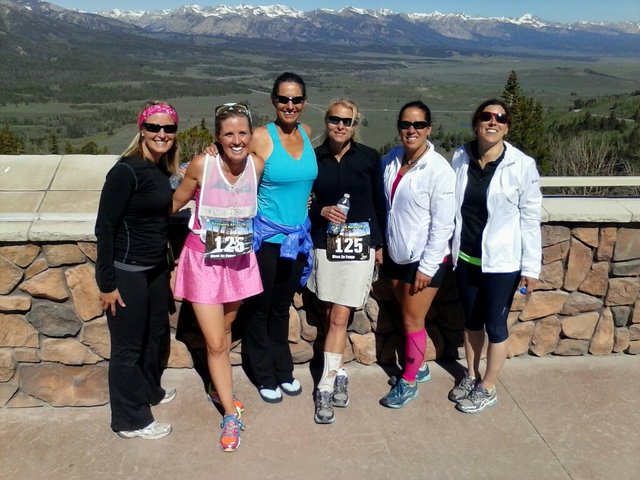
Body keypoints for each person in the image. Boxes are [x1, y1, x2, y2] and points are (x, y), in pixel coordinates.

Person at [172, 103, 263, 451]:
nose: (236, 140)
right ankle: (229, 414)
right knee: (215, 343)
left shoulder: (257, 165)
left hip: (238, 260)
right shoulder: (202, 164)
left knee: (225, 332)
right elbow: (174, 203)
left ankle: (215, 385)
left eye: (242, 133)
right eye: (228, 134)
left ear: (251, 135)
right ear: (217, 138)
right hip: (204, 262)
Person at [449, 99, 542, 413]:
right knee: (472, 322)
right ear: (476, 123)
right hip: (466, 258)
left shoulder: (521, 165)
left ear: (507, 127)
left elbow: (530, 218)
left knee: (495, 326)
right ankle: (471, 375)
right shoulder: (460, 157)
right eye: (486, 116)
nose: (493, 122)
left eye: (500, 118)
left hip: (502, 264)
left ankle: (488, 387)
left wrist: (531, 268)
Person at [95, 101, 179, 439]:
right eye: (154, 127)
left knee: (154, 333)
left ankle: (148, 390)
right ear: (141, 129)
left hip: (154, 269)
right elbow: (105, 227)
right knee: (127, 348)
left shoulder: (158, 168)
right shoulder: (125, 171)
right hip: (127, 270)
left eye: (168, 128)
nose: (161, 134)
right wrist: (107, 284)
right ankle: (130, 420)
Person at [307, 99, 386, 424]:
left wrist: (379, 244)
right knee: (330, 314)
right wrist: (320, 210)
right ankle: (338, 371)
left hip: (359, 246)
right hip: (325, 244)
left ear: (355, 126)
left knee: (340, 317)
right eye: (335, 119)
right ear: (326, 121)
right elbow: (304, 202)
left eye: (347, 121)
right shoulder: (313, 158)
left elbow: (379, 203)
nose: (340, 126)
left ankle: (324, 388)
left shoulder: (369, 157)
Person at [242, 72, 318, 403]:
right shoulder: (261, 136)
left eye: (296, 99)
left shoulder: (307, 132)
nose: (290, 105)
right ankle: (264, 374)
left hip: (297, 239)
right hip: (267, 240)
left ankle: (282, 369)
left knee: (280, 307)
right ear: (273, 101)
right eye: (283, 99)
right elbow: (233, 162)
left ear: (304, 102)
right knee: (259, 308)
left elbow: (303, 182)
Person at [378, 100, 456, 409]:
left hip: (424, 259)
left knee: (412, 319)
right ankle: (418, 366)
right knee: (408, 316)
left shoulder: (439, 170)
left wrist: (427, 266)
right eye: (406, 124)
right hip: (397, 254)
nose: (412, 130)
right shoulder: (391, 159)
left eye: (419, 125)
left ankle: (408, 382)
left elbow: (443, 224)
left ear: (429, 129)